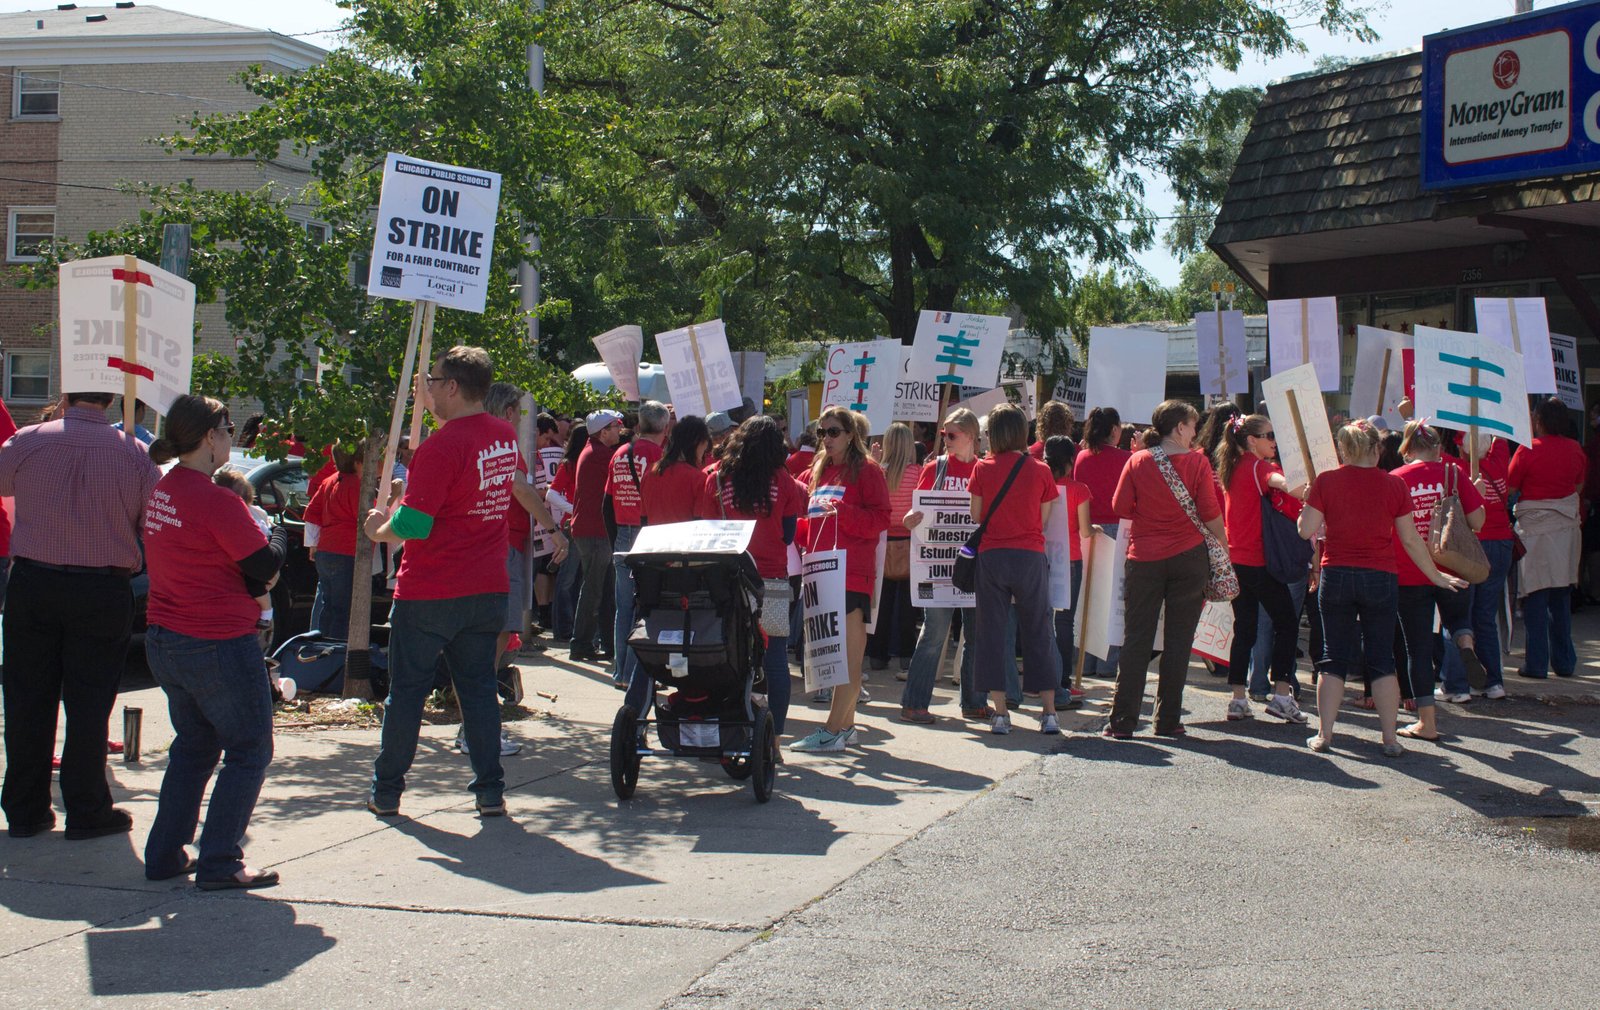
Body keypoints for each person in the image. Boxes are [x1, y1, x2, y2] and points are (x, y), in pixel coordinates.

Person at [363, 346, 517, 818]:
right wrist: (406, 499)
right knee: (477, 692)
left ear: (453, 387)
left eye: (432, 381)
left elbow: (415, 526)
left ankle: (386, 791)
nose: (426, 389)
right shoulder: (504, 436)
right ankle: (490, 791)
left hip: (432, 590)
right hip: (486, 586)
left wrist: (378, 527)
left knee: (407, 693)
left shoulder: (443, 445)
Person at [141, 395, 289, 888]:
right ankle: (220, 861)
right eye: (227, 427)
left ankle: (165, 854)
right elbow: (264, 567)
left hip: (167, 638)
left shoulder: (165, 490)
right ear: (210, 436)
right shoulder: (213, 498)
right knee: (249, 749)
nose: (231, 435)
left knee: (195, 746)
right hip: (216, 640)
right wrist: (280, 533)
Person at [0, 390, 159, 840]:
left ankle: (26, 810)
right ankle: (87, 807)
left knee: (27, 698)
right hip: (101, 587)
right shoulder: (135, 454)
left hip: (35, 582)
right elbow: (154, 522)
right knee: (91, 703)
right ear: (110, 400)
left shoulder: (29, 440)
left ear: (67, 394)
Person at [1297, 420, 1468, 757]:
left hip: (1338, 574)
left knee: (1332, 657)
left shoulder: (1326, 481)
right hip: (1381, 575)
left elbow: (1306, 531)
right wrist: (1436, 575)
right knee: (1382, 658)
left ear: (1343, 450)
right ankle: (1390, 739)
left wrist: (1307, 502)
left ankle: (1324, 734)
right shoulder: (1393, 485)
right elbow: (1410, 540)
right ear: (1377, 449)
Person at [1105, 400, 1223, 739]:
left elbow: (1120, 506)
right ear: (1180, 427)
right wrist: (1224, 550)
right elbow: (1211, 513)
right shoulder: (1198, 464)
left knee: (1137, 639)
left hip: (1144, 557)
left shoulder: (1138, 460)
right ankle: (1168, 720)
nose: (1196, 431)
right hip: (1189, 557)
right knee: (1178, 641)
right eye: (1193, 424)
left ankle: (1123, 720)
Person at [791, 405, 890, 752]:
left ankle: (833, 730)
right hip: (819, 571)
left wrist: (843, 513)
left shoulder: (867, 471)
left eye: (833, 432)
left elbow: (881, 519)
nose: (826, 439)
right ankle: (844, 729)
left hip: (852, 573)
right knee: (829, 657)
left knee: (847, 658)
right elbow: (809, 521)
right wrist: (803, 531)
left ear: (851, 435)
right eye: (821, 432)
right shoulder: (817, 471)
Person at [703, 416, 807, 734]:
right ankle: (773, 738)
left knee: (727, 654)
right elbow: (788, 534)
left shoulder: (717, 478)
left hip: (727, 576)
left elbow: (707, 529)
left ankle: (730, 727)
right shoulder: (784, 481)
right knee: (775, 656)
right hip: (772, 579)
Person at [1388, 419, 1486, 739]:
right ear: (1438, 449)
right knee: (1457, 619)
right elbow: (1478, 522)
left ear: (1406, 449)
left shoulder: (1395, 479)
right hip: (1453, 566)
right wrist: (1478, 493)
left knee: (1417, 648)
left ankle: (1427, 724)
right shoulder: (1453, 473)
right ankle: (1465, 642)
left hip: (1410, 572)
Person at [970, 404, 1063, 734]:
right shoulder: (1041, 469)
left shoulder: (982, 468)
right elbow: (1046, 517)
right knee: (1039, 630)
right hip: (1029, 555)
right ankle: (1049, 712)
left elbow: (977, 515)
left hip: (993, 556)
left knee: (991, 633)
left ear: (992, 433)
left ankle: (1000, 713)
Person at [1213, 414, 1310, 724]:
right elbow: (1292, 488)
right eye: (1269, 435)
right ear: (1251, 440)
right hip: (1259, 562)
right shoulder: (1258, 467)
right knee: (1286, 623)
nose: (1274, 441)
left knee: (1245, 629)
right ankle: (1282, 694)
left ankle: (1238, 699)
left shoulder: (1232, 466)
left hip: (1237, 560)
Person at [900, 407, 990, 724]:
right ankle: (914, 703)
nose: (946, 441)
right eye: (943, 435)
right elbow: (916, 512)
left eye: (952, 435)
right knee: (934, 635)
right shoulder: (934, 468)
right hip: (937, 568)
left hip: (972, 567)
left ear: (971, 437)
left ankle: (974, 702)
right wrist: (910, 520)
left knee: (977, 635)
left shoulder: (984, 470)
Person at [484, 382, 566, 694]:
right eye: (519, 412)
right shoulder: (502, 442)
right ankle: (480, 698)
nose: (521, 419)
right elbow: (519, 488)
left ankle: (474, 694)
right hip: (503, 543)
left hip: (493, 541)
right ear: (508, 412)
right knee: (502, 626)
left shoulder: (478, 438)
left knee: (494, 627)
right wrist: (554, 532)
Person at [1510, 398, 1587, 680]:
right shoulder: (1575, 448)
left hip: (1534, 533)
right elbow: (1578, 485)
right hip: (1566, 531)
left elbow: (1512, 487)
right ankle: (1564, 663)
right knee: (1561, 595)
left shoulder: (1527, 449)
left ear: (1539, 421)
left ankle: (1536, 663)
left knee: (1535, 597)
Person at [605, 401, 670, 690]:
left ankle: (621, 672)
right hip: (649, 535)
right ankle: (638, 674)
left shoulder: (619, 454)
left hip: (622, 534)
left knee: (624, 607)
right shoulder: (659, 456)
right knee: (646, 608)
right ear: (665, 427)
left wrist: (613, 539)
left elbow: (606, 502)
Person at [1071, 406, 1130, 677]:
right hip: (1118, 530)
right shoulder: (1126, 459)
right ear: (1115, 430)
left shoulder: (1081, 457)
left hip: (1087, 529)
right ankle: (1107, 665)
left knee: (1088, 596)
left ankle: (1084, 661)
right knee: (1113, 601)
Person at [569, 409, 624, 664]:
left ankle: (600, 642)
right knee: (593, 591)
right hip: (595, 531)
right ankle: (581, 643)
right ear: (604, 431)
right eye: (616, 426)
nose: (620, 430)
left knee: (601, 590)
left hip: (593, 530)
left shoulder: (594, 452)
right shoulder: (600, 455)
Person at [867, 423, 922, 675]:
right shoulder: (918, 473)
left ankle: (877, 655)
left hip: (881, 544)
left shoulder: (878, 472)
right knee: (908, 606)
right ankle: (907, 656)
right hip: (910, 543)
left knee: (882, 603)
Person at [1464, 436, 1514, 700]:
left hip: (1477, 545)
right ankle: (1494, 681)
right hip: (1502, 544)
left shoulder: (1462, 468)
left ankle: (1466, 681)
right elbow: (1501, 436)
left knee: (1466, 616)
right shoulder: (1500, 459)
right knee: (1486, 616)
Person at [1044, 435, 1092, 706]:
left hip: (1042, 557)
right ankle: (1062, 682)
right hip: (1071, 559)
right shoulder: (1079, 489)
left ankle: (1041, 679)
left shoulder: (1039, 482)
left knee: (1042, 620)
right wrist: (1093, 529)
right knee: (1064, 622)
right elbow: (1085, 529)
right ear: (1071, 461)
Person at [302, 444, 362, 641]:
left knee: (328, 605)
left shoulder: (328, 481)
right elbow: (362, 518)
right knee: (342, 609)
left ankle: (319, 648)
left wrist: (313, 544)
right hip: (346, 551)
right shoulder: (355, 484)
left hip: (325, 550)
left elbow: (311, 512)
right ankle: (335, 652)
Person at [546, 422, 587, 642]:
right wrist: (574, 509)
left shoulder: (578, 462)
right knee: (568, 580)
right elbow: (551, 494)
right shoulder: (570, 464)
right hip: (572, 526)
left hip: (578, 525)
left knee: (575, 579)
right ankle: (563, 629)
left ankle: (568, 627)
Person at [641, 416, 714, 524]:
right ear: (698, 442)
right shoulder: (699, 479)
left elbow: (643, 518)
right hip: (687, 539)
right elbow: (700, 523)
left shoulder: (649, 473)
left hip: (653, 539)